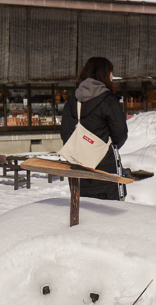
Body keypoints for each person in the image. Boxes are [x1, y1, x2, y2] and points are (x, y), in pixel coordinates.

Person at [60, 57, 129, 201]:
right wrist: (102, 147)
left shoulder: (73, 102)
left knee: (83, 211)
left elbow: (65, 134)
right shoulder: (109, 100)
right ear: (105, 74)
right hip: (105, 168)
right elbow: (120, 134)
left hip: (78, 166)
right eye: (111, 72)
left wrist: (82, 149)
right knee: (111, 213)